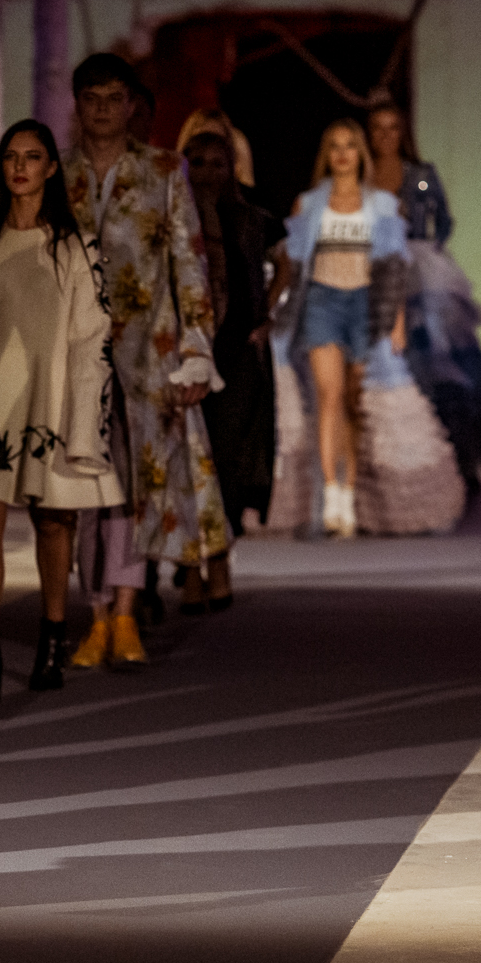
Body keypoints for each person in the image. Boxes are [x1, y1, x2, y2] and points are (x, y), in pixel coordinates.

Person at [64, 54, 226, 645]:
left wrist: (196, 351)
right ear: (77, 104)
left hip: (149, 350)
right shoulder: (59, 174)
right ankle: (97, 609)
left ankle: (127, 610)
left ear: (132, 105)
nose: (103, 110)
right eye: (92, 98)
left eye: (115, 98)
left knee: (140, 484)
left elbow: (189, 261)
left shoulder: (163, 170)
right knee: (84, 484)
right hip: (73, 351)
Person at [0, 120, 123, 701]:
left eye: (32, 157)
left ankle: (53, 634)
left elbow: (92, 334)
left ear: (52, 168)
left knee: (54, 519)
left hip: (50, 397)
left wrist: (83, 413)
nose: (20, 167)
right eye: (11, 156)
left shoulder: (75, 246)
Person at [274, 120, 406, 536]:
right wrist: (277, 310)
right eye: (335, 146)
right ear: (326, 155)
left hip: (366, 303)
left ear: (360, 153)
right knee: (328, 397)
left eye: (350, 145)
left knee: (353, 401)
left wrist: (397, 320)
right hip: (322, 301)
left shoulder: (382, 205)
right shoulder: (309, 204)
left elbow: (394, 266)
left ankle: (350, 490)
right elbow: (293, 263)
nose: (343, 153)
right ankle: (332, 497)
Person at [367, 99, 481, 499]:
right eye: (378, 128)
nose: (385, 136)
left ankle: (457, 463)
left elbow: (443, 218)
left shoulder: (421, 175)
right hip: (374, 268)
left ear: (403, 132)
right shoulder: (361, 176)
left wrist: (427, 250)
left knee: (437, 362)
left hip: (421, 273)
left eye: (392, 127)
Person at [182, 127, 277, 605]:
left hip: (235, 350)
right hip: (184, 350)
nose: (206, 173)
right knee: (186, 459)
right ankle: (189, 567)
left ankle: (217, 559)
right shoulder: (175, 216)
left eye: (217, 163)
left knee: (225, 459)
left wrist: (265, 318)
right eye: (197, 162)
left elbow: (283, 265)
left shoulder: (248, 219)